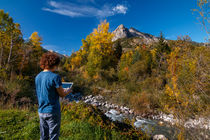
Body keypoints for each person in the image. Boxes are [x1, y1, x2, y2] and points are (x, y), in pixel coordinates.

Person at [35, 52, 72, 140]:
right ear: (54, 64)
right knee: (53, 136)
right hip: (52, 111)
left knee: (43, 136)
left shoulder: (37, 76)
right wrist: (68, 91)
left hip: (41, 110)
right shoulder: (55, 77)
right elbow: (61, 94)